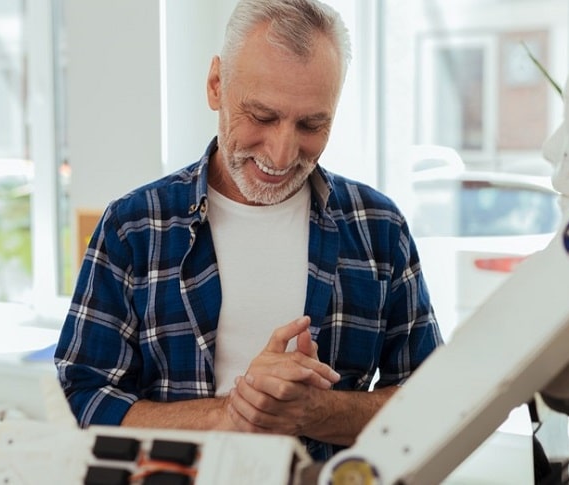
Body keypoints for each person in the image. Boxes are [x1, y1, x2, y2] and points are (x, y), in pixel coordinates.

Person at [54, 0, 443, 462]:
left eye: (312, 124)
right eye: (261, 116)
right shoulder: (133, 227)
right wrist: (232, 416)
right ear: (217, 84)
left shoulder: (380, 229)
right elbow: (78, 400)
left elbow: (435, 404)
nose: (281, 155)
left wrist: (315, 411)